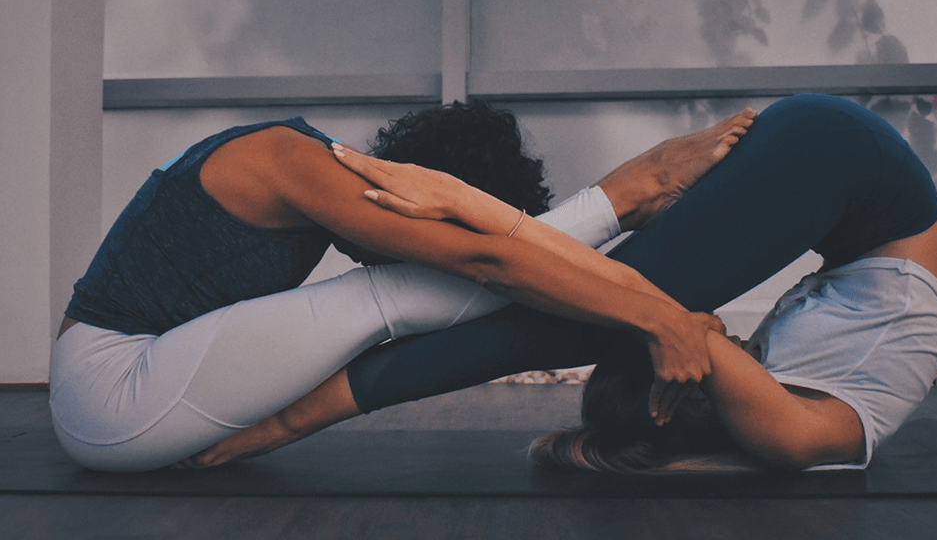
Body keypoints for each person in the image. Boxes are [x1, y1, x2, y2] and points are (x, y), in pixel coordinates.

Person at [182, 94, 937, 472]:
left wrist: (684, 334)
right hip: (852, 171)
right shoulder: (810, 436)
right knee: (575, 318)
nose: (680, 385)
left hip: (850, 182)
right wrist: (683, 334)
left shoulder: (784, 406)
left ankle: (570, 195)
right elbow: (723, 372)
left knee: (601, 305)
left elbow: (706, 347)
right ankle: (295, 413)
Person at [51, 100, 754, 472]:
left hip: (137, 376)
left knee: (409, 290)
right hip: (109, 394)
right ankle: (629, 192)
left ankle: (622, 200)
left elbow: (486, 256)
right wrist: (655, 302)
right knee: (390, 297)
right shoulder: (296, 164)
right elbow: (488, 262)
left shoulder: (296, 154)